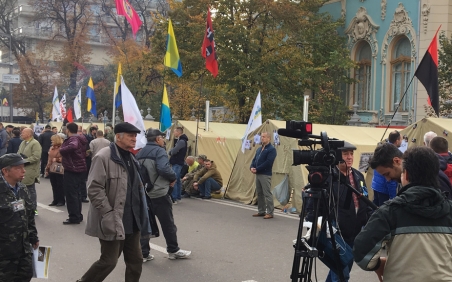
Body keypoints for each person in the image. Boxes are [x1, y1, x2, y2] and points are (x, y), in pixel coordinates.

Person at [354, 146, 452, 282]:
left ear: (405, 174)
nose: (388, 179)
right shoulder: (448, 209)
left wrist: (378, 264)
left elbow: (361, 251)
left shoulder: (390, 211)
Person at [77, 122, 151, 282]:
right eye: (130, 136)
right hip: (113, 219)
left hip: (133, 219)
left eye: (135, 136)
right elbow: (94, 188)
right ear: (118, 137)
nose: (134, 139)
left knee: (136, 261)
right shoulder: (103, 156)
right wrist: (108, 213)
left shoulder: (132, 157)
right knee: (109, 261)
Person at [305, 142, 371, 282]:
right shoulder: (329, 177)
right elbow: (314, 204)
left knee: (342, 268)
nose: (349, 157)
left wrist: (370, 220)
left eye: (351, 153)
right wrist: (313, 224)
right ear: (336, 156)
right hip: (336, 233)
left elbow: (365, 199)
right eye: (345, 153)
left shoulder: (358, 176)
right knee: (342, 273)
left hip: (356, 232)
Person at [137, 128, 191, 262]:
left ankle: (144, 253)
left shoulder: (140, 152)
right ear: (157, 139)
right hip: (159, 192)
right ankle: (173, 250)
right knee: (167, 223)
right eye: (162, 138)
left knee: (146, 223)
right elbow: (163, 168)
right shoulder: (159, 151)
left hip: (144, 193)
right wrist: (173, 177)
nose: (164, 140)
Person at [0, 153, 39, 281]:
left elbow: (29, 215)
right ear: (5, 171)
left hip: (23, 248)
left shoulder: (22, 188)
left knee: (25, 276)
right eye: (18, 168)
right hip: (4, 253)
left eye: (23, 167)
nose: (23, 171)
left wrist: (33, 237)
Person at [370, 143, 452, 200]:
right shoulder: (407, 179)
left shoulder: (432, 176)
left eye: (387, 174)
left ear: (397, 161)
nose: (387, 179)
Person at [59, 122, 87, 224]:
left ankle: (74, 217)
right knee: (77, 193)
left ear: (68, 130)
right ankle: (78, 215)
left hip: (72, 168)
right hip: (78, 168)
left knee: (71, 194)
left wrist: (62, 150)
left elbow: (73, 146)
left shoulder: (73, 139)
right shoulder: (79, 138)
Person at [250, 132, 277, 219]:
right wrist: (252, 167)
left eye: (264, 137)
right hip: (258, 173)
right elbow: (254, 160)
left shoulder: (271, 150)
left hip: (265, 174)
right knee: (259, 193)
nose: (262, 138)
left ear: (269, 138)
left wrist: (257, 168)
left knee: (267, 193)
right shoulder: (259, 149)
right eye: (261, 137)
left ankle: (270, 212)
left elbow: (268, 162)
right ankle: (261, 211)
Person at [371, 130, 401, 206]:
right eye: (401, 139)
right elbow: (391, 183)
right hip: (384, 190)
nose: (388, 178)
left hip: (376, 186)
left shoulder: (380, 151)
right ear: (397, 141)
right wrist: (393, 200)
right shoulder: (389, 157)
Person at [17, 128, 42, 215]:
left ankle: (33, 209)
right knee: (21, 191)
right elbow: (18, 153)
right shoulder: (23, 143)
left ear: (29, 134)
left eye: (23, 132)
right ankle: (24, 208)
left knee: (30, 190)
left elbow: (36, 157)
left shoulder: (35, 143)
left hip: (30, 170)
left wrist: (24, 161)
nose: (21, 134)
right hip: (21, 169)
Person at [169, 127, 188, 203]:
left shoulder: (181, 141)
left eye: (174, 132)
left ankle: (174, 198)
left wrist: (170, 152)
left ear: (178, 132)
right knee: (178, 180)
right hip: (179, 162)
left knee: (174, 180)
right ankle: (178, 196)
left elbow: (174, 151)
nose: (174, 133)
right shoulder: (182, 140)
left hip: (177, 162)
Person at [45, 134, 65, 206]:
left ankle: (61, 200)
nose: (51, 141)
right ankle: (55, 200)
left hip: (59, 169)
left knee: (60, 185)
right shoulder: (51, 148)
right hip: (51, 168)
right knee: (54, 185)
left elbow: (64, 158)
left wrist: (56, 159)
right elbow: (49, 159)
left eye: (53, 140)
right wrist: (47, 169)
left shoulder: (62, 148)